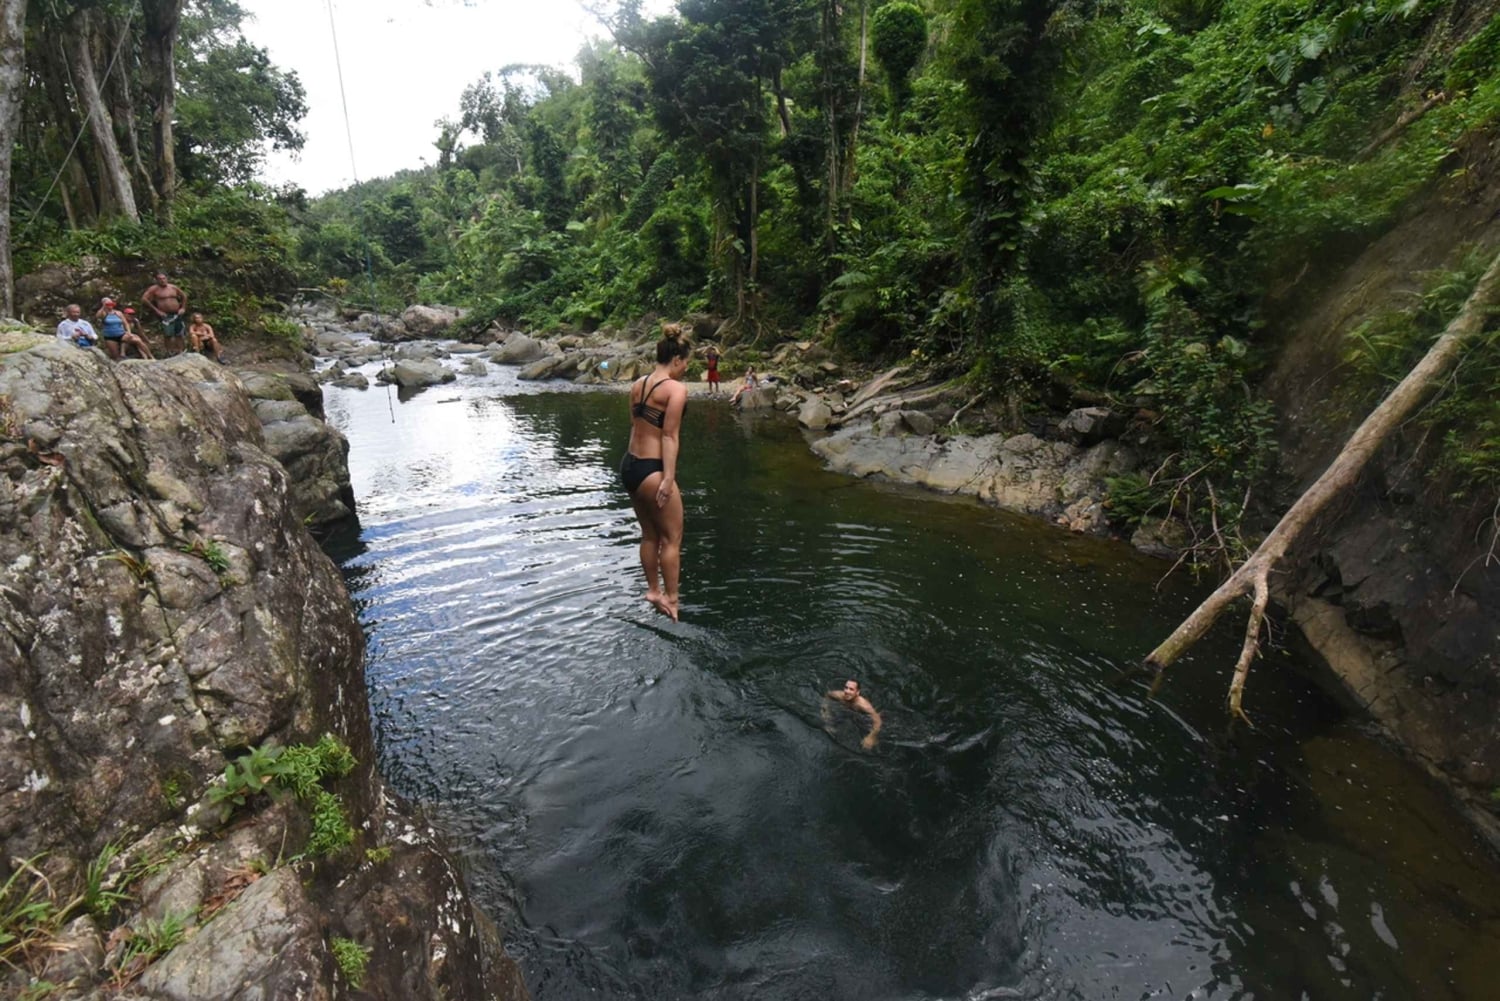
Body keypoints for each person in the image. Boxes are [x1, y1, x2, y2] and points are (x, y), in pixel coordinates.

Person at [620, 322, 692, 621]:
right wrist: (668, 479)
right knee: (672, 538)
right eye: (686, 363)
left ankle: (653, 589)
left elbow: (635, 426)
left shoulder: (638, 384)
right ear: (676, 360)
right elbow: (669, 436)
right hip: (653, 469)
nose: (686, 368)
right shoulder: (676, 389)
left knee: (649, 535)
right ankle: (672, 599)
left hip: (630, 465)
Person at [825, 679, 883, 750]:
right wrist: (826, 712)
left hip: (860, 715)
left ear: (857, 692)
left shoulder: (863, 705)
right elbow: (827, 695)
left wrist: (871, 737)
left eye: (851, 689)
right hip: (845, 710)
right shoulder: (839, 695)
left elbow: (878, 720)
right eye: (846, 688)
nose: (847, 691)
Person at [142, 270, 187, 356]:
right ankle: (170, 352)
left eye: (164, 278)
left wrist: (183, 308)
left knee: (179, 333)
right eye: (160, 279)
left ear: (167, 278)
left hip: (177, 313)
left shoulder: (173, 287)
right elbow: (144, 299)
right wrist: (156, 310)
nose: (162, 280)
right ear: (157, 280)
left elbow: (184, 296)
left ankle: (181, 351)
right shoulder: (154, 289)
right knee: (168, 334)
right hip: (165, 315)